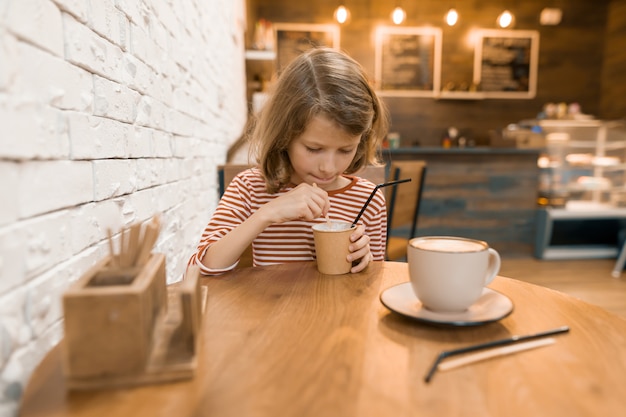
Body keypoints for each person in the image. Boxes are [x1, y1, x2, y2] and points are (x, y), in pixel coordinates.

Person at [188, 47, 389, 275]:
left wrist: (366, 264)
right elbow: (195, 272)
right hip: (268, 310)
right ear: (284, 136)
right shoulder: (250, 189)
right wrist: (267, 214)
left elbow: (371, 290)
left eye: (345, 150)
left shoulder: (369, 201)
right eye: (313, 149)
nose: (328, 167)